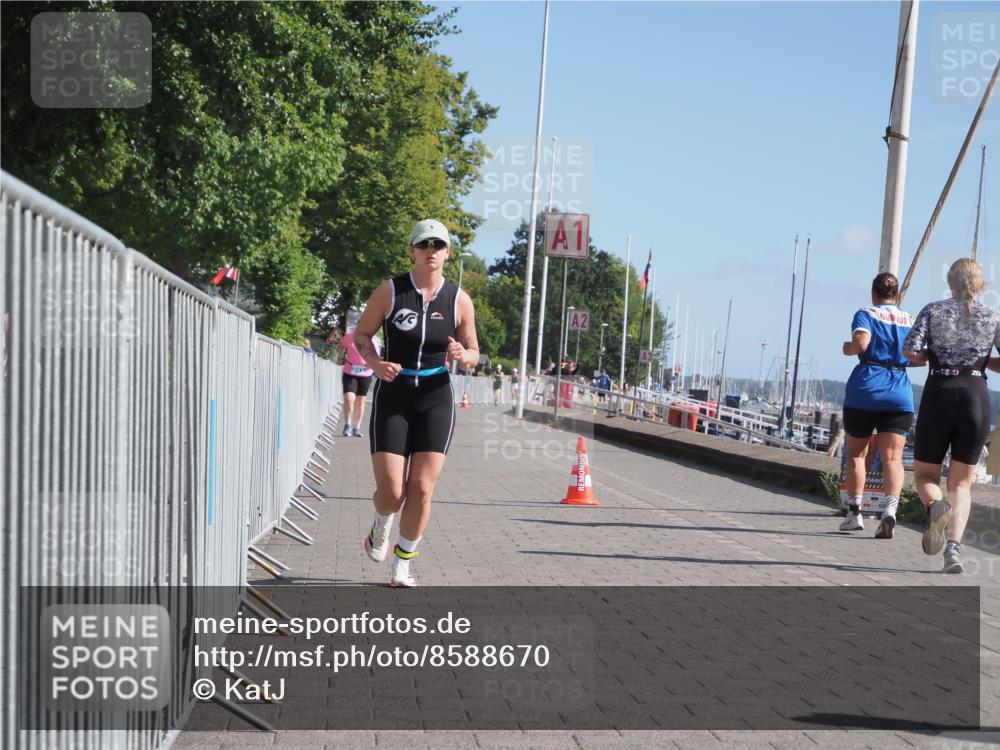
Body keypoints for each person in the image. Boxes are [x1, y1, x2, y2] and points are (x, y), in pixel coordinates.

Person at [351, 219, 479, 587]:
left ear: (448, 253)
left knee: (422, 488)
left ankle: (403, 562)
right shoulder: (390, 292)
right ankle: (381, 523)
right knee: (393, 493)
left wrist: (464, 355)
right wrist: (376, 363)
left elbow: (474, 351)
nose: (431, 251)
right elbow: (361, 335)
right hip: (394, 393)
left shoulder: (459, 300)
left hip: (436, 396)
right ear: (412, 250)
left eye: (438, 245)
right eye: (424, 244)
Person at [903, 258, 1000, 573]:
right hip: (975, 396)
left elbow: (910, 349)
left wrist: (934, 356)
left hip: (940, 392)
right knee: (961, 484)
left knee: (926, 475)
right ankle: (953, 552)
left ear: (950, 282)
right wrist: (981, 361)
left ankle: (935, 507)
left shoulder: (932, 310)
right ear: (980, 284)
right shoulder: (992, 316)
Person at [838, 272, 918, 539]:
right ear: (897, 295)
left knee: (856, 454)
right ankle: (889, 511)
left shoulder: (866, 314)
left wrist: (848, 348)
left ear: (873, 293)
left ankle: (854, 513)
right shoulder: (910, 319)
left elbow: (861, 344)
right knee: (893, 458)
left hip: (866, 389)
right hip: (899, 392)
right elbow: (921, 357)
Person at [338, 327, 379, 437]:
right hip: (350, 371)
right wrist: (340, 357)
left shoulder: (374, 340)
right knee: (349, 398)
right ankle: (347, 424)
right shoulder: (350, 336)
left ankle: (356, 427)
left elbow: (376, 357)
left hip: (366, 373)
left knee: (360, 401)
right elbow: (341, 346)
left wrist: (373, 364)